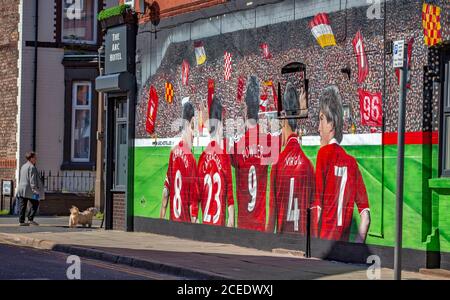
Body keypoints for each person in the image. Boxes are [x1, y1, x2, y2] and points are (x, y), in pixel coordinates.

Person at [311, 86, 371, 243]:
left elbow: (317, 209)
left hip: (325, 245)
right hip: (343, 247)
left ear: (331, 125)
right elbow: (365, 217)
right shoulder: (352, 163)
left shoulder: (323, 155)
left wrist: (312, 244)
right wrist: (357, 246)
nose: (318, 127)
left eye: (321, 119)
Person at [229, 76, 278, 231]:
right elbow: (285, 137)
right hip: (260, 226)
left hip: (242, 226)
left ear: (245, 110)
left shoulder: (237, 144)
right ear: (259, 109)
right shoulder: (268, 141)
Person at [266, 83, 315, 234]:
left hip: (282, 246)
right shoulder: (308, 165)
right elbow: (312, 219)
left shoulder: (277, 164)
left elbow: (272, 216)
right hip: (301, 248)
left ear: (283, 120)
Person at [197, 96, 235, 227]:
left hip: (204, 229)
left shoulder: (202, 158)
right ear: (221, 125)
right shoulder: (224, 157)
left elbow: (196, 199)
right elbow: (230, 200)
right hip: (219, 229)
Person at [160, 101, 199, 223]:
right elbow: (193, 203)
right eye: (195, 127)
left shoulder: (173, 152)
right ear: (192, 122)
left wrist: (161, 221)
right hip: (185, 227)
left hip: (172, 226)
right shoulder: (191, 159)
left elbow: (166, 192)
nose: (195, 134)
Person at [17, 152, 43, 226]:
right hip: (29, 189)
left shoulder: (23, 166)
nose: (36, 159)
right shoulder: (32, 167)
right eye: (35, 158)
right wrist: (35, 190)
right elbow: (32, 180)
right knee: (36, 202)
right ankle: (30, 219)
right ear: (31, 158)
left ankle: (21, 221)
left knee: (23, 205)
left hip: (21, 188)